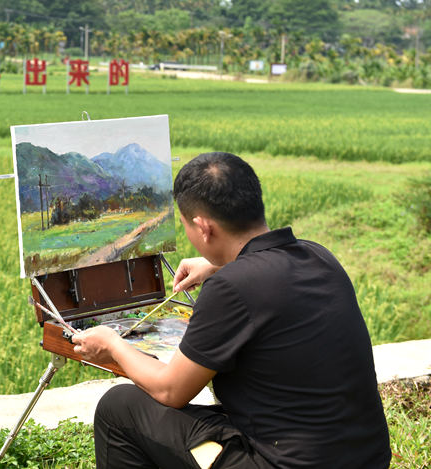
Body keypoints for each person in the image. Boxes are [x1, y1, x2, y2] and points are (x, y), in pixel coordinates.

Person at [71, 152, 390, 469]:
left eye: (186, 226)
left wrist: (113, 344)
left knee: (119, 408)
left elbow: (170, 390)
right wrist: (220, 264)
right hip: (367, 458)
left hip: (283, 464)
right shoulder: (318, 255)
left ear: (203, 227)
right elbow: (268, 280)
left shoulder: (231, 287)